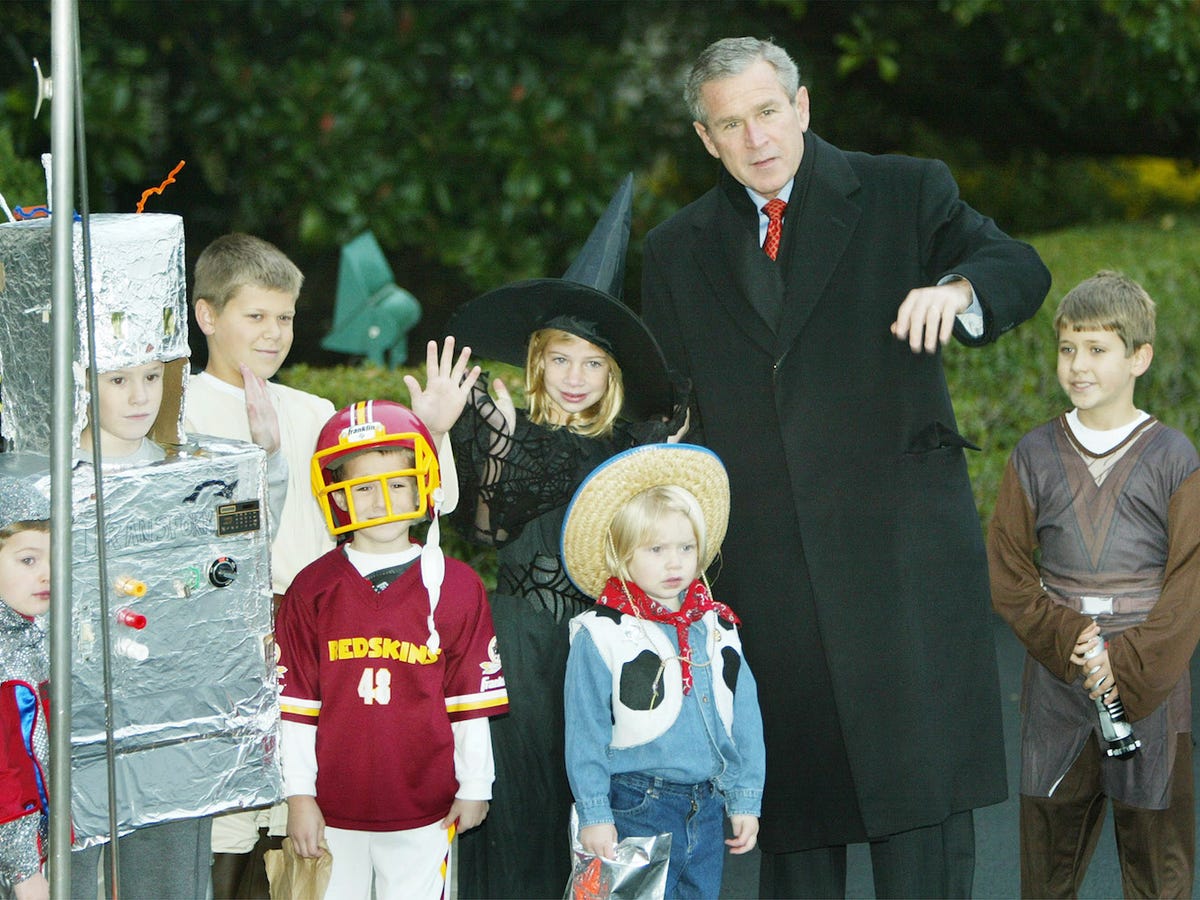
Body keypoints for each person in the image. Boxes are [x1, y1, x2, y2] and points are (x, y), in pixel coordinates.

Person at [640, 36, 1051, 898]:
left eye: (766, 111)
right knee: (794, 829)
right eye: (730, 124)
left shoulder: (906, 190)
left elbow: (1018, 265)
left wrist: (959, 292)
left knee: (923, 823)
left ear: (802, 107)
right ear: (705, 139)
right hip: (769, 582)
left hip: (900, 572)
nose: (755, 138)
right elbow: (663, 414)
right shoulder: (677, 251)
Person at [443, 176, 687, 899]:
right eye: (560, 359)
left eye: (592, 362)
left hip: (604, 648)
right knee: (517, 810)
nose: (574, 377)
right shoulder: (508, 434)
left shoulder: (629, 447)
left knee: (604, 818)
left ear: (611, 372)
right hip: (518, 645)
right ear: (536, 362)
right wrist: (479, 438)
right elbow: (484, 526)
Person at [987, 271, 1200, 898]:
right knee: (1046, 871)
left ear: (1140, 357)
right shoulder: (1033, 455)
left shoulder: (1175, 458)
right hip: (1059, 683)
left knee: (1158, 870)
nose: (1079, 366)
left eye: (1098, 349)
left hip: (1151, 690)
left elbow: (1190, 580)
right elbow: (1008, 569)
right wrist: (1070, 636)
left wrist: (1127, 664)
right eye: (1068, 348)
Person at [276, 400, 509, 900]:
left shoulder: (457, 586)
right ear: (337, 495)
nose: (382, 500)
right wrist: (299, 795)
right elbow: (295, 710)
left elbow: (469, 704)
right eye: (363, 487)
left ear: (423, 485)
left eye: (397, 484)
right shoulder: (311, 589)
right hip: (332, 805)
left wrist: (476, 785)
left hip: (424, 803)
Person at [184, 232, 336, 896]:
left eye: (286, 317)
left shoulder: (317, 412)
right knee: (224, 828)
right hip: (224, 645)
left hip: (313, 642)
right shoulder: (172, 411)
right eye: (256, 316)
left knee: (295, 830)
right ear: (207, 315)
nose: (274, 334)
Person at [560, 443, 764, 898]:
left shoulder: (719, 625)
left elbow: (744, 715)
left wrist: (745, 797)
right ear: (623, 555)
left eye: (686, 547)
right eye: (656, 549)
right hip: (637, 803)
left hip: (707, 804)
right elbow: (585, 729)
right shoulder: (602, 633)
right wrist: (595, 812)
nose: (674, 562)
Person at [0, 476, 51, 900]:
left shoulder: (27, 631)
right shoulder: (6, 657)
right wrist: (24, 871)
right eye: (29, 560)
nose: (47, 574)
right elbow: (6, 773)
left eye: (53, 558)